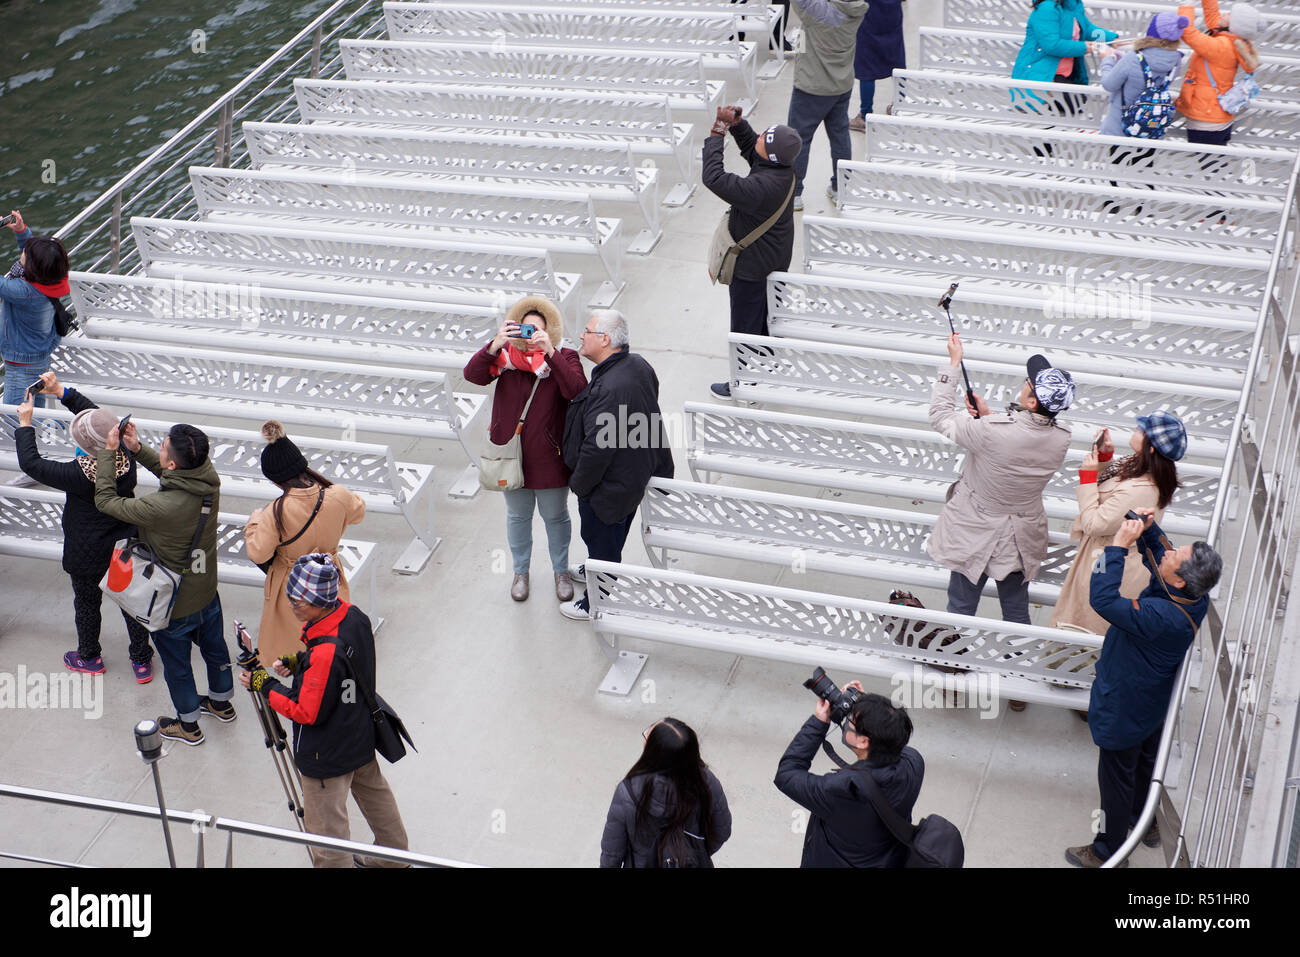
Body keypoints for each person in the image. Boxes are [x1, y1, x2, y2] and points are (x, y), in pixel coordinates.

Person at [1065, 511, 1222, 867]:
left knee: (1116, 782)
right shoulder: (1193, 597)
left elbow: (1103, 600)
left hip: (1125, 707)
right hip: (1151, 704)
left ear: (1181, 580)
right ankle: (1147, 822)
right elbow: (1161, 552)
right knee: (1142, 766)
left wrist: (1118, 548)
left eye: (1174, 556)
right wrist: (1149, 530)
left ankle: (1109, 851)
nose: (1166, 553)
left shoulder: (1159, 616)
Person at [928, 336, 1074, 711]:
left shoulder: (993, 430)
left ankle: (954, 677)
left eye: (1028, 384)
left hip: (973, 532)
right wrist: (989, 415)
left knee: (960, 607)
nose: (1025, 383)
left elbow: (940, 416)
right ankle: (1017, 686)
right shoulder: (1061, 438)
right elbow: (1017, 439)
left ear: (1029, 401)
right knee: (1016, 611)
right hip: (1020, 538)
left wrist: (953, 364)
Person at [240, 554, 409, 868]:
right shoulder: (354, 616)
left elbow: (304, 711)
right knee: (377, 799)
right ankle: (394, 860)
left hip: (326, 757)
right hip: (360, 735)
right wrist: (299, 662)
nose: (292, 606)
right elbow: (345, 663)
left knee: (327, 834)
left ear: (318, 602)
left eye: (298, 602)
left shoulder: (324, 654)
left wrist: (264, 683)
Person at [95, 420, 232, 745]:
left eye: (162, 448)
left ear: (172, 462)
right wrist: (138, 450)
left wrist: (108, 454)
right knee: (215, 648)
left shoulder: (159, 507)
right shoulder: (209, 481)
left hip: (173, 605)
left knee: (178, 665)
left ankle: (188, 724)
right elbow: (178, 476)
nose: (159, 450)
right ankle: (221, 703)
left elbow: (106, 502)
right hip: (206, 591)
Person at [13, 371, 152, 681]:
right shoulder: (125, 456)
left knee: (87, 603)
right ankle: (142, 660)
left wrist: (25, 424)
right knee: (131, 602)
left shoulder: (77, 474)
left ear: (84, 446)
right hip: (124, 545)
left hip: (86, 550)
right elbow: (99, 421)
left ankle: (89, 657)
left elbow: (31, 464)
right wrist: (62, 391)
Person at [463, 295, 586, 603]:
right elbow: (472, 376)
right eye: (525, 329)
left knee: (555, 517)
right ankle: (521, 573)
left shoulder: (565, 357)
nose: (530, 337)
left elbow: (577, 390)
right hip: (510, 456)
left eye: (538, 330)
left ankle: (560, 572)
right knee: (517, 517)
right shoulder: (503, 357)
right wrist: (494, 344)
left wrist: (551, 352)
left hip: (549, 458)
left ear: (550, 331)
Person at [560, 310, 674, 621]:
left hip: (610, 486)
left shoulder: (611, 388)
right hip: (632, 475)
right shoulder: (637, 365)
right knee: (606, 537)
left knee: (604, 540)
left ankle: (597, 600)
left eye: (587, 331)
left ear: (605, 339)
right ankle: (596, 567)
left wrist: (579, 484)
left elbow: (598, 448)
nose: (581, 336)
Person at [1050, 411, 1186, 636]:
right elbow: (1111, 497)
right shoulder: (1142, 469)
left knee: (1081, 630)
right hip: (1105, 558)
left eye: (1140, 431)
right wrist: (1104, 459)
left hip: (1106, 564)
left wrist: (1087, 477)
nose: (1135, 430)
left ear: (1151, 448)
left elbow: (1094, 523)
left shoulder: (1142, 490)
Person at [243, 420, 367, 664]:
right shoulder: (337, 495)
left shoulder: (275, 512)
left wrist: (254, 523)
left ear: (275, 480)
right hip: (329, 576)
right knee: (331, 636)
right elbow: (358, 511)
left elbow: (258, 553)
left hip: (294, 584)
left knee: (298, 647)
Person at [702, 111, 800, 399]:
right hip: (774, 259)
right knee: (765, 318)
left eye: (763, 138)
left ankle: (745, 383)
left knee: (744, 327)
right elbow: (753, 151)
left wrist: (718, 133)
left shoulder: (761, 187)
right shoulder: (783, 170)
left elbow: (713, 177)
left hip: (752, 268)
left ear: (771, 156)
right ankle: (768, 364)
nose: (757, 137)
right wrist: (739, 126)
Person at [774, 683, 924, 867]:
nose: (846, 720)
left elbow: (786, 774)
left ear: (863, 741)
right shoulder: (913, 765)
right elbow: (891, 734)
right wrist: (869, 706)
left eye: (850, 719)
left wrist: (819, 722)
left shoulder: (843, 790)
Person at [599, 717, 732, 867]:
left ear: (654, 752)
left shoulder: (628, 792)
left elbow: (612, 855)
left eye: (648, 736)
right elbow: (722, 830)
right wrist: (695, 853)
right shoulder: (706, 781)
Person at [784, 0, 868, 210]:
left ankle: (794, 193)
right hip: (841, 83)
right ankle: (841, 187)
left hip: (811, 86)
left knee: (799, 140)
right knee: (840, 135)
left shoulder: (820, 11)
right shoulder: (858, 8)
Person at [1175, 1, 1264, 150]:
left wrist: (1186, 6)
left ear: (1235, 25)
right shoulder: (1232, 40)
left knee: (1208, 168)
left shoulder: (1222, 46)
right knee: (1214, 166)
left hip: (1206, 121)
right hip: (1216, 117)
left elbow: (1188, 33)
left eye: (1229, 14)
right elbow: (1212, 17)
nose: (1224, 14)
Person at [1, 210, 66, 407]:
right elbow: (38, 257)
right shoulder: (53, 277)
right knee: (33, 416)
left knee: (15, 423)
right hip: (40, 360)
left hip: (21, 369)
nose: (23, 251)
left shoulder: (22, 292)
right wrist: (21, 231)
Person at [1011, 0, 1119, 114]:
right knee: (1076, 103)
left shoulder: (1074, 4)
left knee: (1078, 102)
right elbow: (1052, 45)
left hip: (1063, 75)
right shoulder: (1047, 8)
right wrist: (1084, 47)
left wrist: (1111, 39)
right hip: (1042, 75)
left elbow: (1086, 29)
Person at [1098, 13, 1188, 138]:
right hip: (1152, 131)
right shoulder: (1176, 60)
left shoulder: (1134, 57)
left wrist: (1107, 60)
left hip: (1120, 130)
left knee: (1117, 158)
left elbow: (1109, 84)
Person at [849, 0, 906, 131]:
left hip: (869, 14)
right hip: (892, 12)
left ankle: (865, 115)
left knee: (866, 66)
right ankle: (901, 104)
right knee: (897, 59)